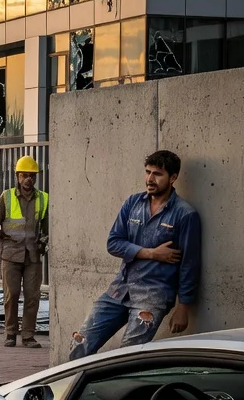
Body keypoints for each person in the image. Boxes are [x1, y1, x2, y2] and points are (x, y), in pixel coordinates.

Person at [70, 150, 200, 359]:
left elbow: (189, 264)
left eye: (157, 174)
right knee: (80, 344)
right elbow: (113, 243)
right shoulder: (133, 203)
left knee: (127, 358)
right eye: (148, 172)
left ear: (173, 177)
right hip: (119, 290)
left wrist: (183, 306)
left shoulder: (185, 214)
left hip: (152, 296)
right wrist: (151, 253)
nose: (150, 179)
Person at [0, 155, 49, 348]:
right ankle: (10, 333)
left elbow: (48, 228)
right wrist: (3, 239)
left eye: (32, 175)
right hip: (10, 255)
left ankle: (28, 335)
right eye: (25, 175)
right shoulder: (6, 197)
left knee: (32, 297)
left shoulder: (43, 199)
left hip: (33, 256)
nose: (29, 179)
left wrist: (43, 243)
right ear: (17, 176)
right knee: (12, 294)